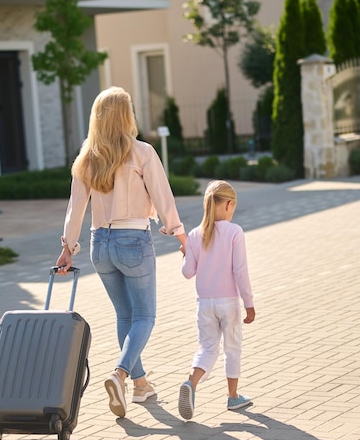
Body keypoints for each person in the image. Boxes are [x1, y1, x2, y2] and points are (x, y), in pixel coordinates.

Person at [56, 86, 187, 419]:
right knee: (145, 316)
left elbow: (76, 208)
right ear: (126, 116)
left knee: (125, 316)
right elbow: (162, 195)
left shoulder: (87, 156)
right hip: (134, 242)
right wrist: (179, 233)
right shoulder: (141, 152)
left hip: (100, 244)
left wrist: (68, 249)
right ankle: (121, 374)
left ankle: (140, 384)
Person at [178, 180, 255, 421]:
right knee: (232, 348)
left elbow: (187, 272)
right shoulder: (234, 232)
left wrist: (186, 254)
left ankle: (191, 383)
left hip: (205, 304)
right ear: (229, 205)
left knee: (207, 348)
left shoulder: (194, 234)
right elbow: (240, 270)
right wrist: (249, 303)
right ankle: (232, 397)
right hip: (228, 302)